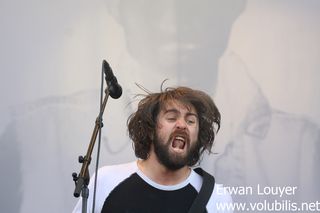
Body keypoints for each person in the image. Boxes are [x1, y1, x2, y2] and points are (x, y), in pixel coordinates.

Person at [73, 86, 233, 213]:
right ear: (150, 129)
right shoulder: (106, 180)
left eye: (191, 121)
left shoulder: (216, 197)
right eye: (171, 118)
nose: (182, 125)